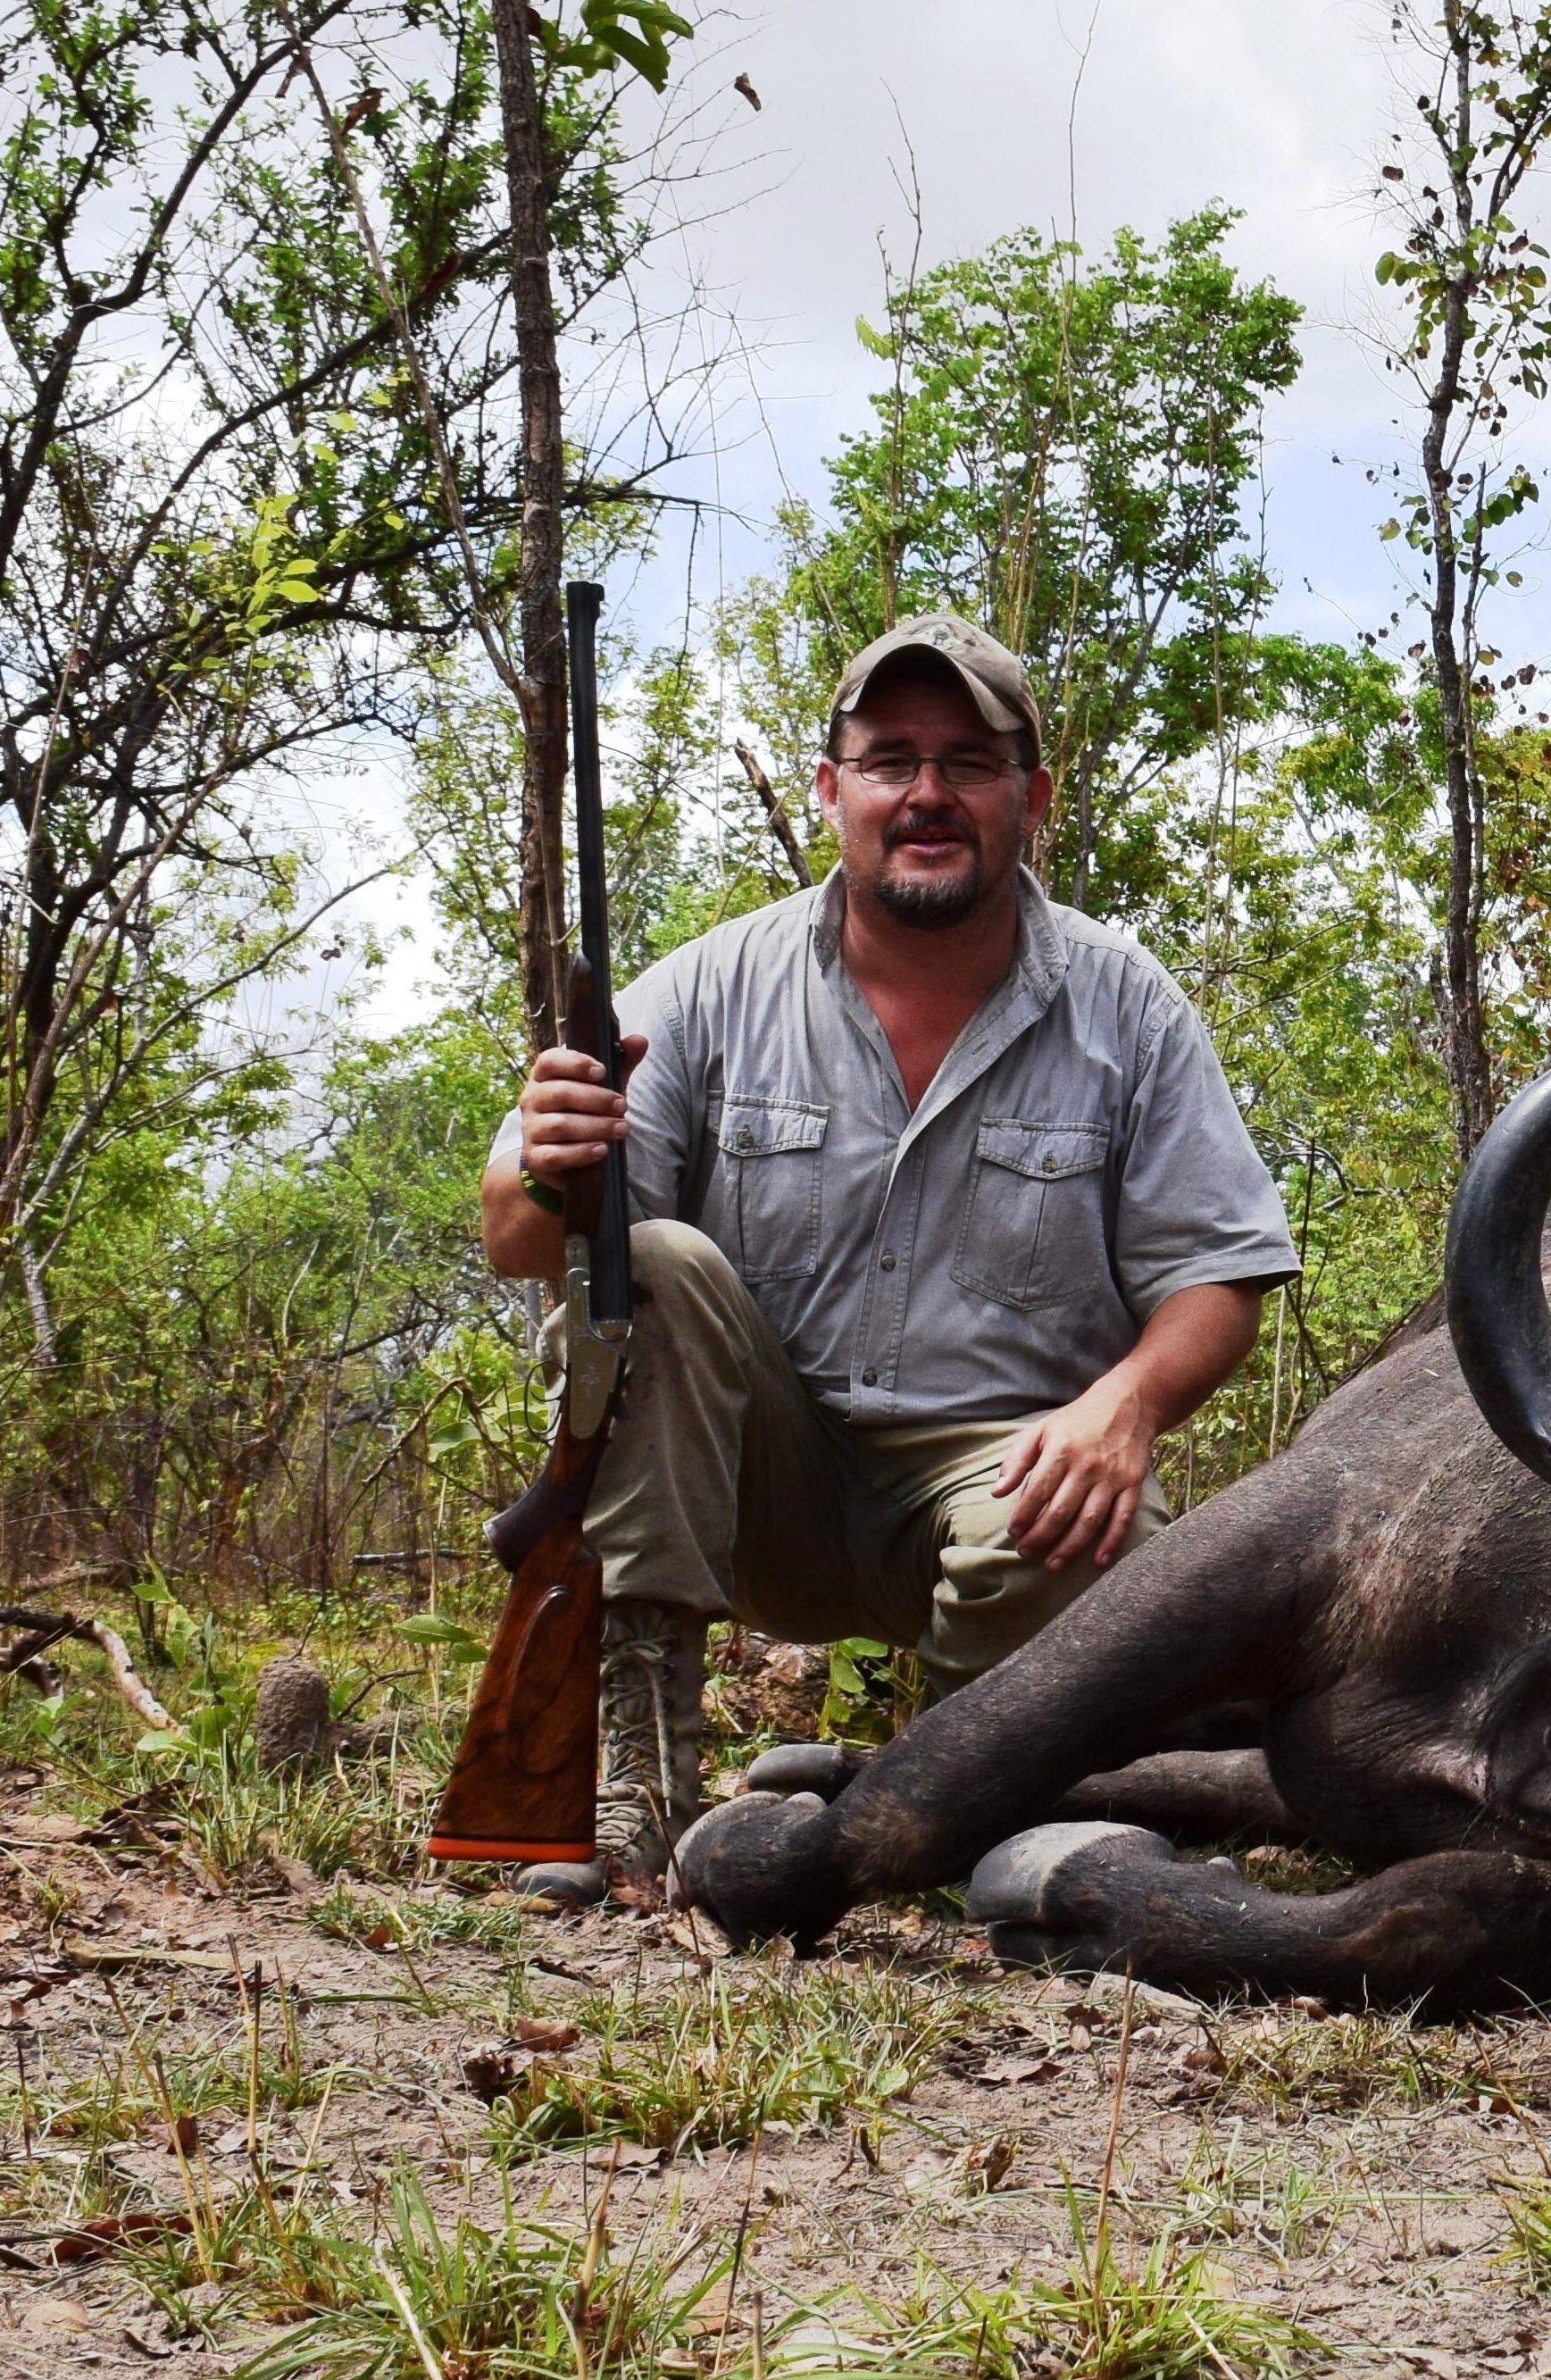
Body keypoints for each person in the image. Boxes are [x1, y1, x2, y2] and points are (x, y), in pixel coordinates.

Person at [485, 614, 1300, 1897]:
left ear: (1027, 797)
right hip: (758, 1479)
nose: (927, 793)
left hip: (999, 1484)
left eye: (968, 762)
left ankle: (932, 1791)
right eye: (889, 759)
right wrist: (546, 1155)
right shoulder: (709, 986)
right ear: (832, 792)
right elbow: (518, 1238)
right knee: (647, 1253)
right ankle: (640, 1787)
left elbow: (1222, 1271)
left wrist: (1125, 1407)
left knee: (1092, 1506)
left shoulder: (1125, 1000)